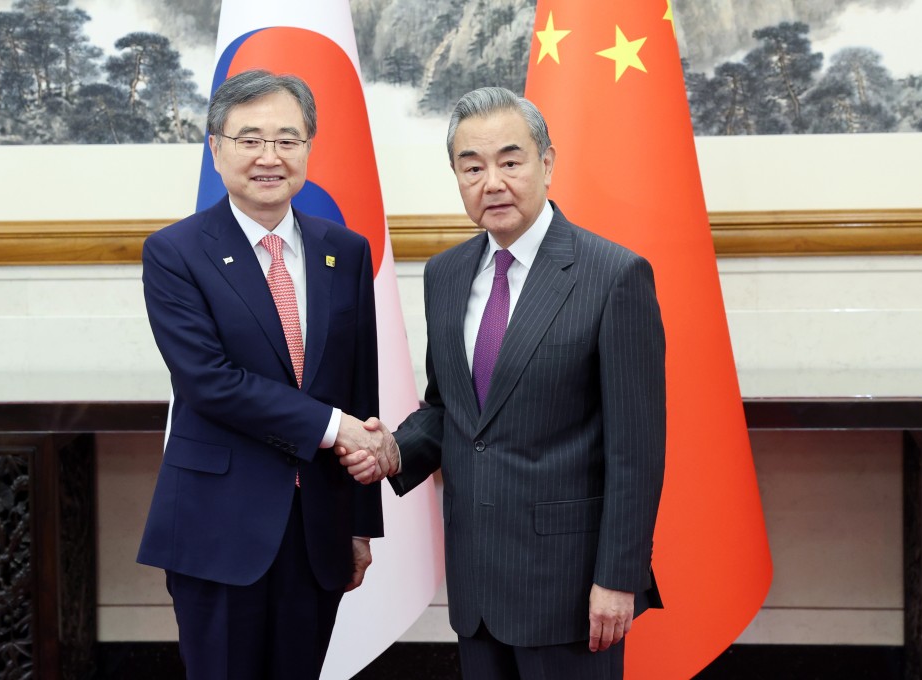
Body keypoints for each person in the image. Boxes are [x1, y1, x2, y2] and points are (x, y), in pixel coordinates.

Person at [339, 86, 666, 678]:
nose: (492, 182)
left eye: (510, 162)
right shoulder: (445, 274)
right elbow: (452, 410)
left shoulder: (613, 275)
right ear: (457, 178)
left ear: (547, 162)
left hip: (572, 590)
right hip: (477, 582)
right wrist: (389, 450)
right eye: (472, 167)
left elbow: (636, 451)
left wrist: (618, 579)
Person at [137, 69, 389, 680]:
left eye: (287, 139)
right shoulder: (176, 253)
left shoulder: (345, 251)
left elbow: (361, 391)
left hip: (317, 536)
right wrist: (335, 428)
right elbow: (209, 381)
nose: (269, 157)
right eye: (249, 139)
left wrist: (359, 526)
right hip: (218, 530)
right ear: (216, 148)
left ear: (308, 148)